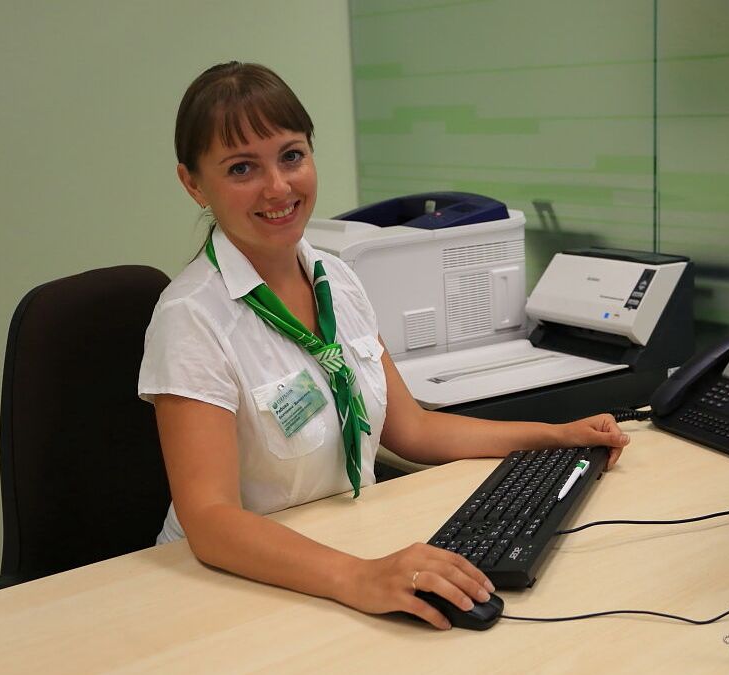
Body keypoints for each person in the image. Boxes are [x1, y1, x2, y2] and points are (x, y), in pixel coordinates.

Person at [138, 61, 630, 630]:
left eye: (291, 156)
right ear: (193, 183)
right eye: (242, 168)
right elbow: (210, 520)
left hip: (339, 549)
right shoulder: (191, 318)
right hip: (232, 587)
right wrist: (358, 578)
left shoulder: (337, 279)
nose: (278, 187)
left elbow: (412, 429)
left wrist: (553, 437)